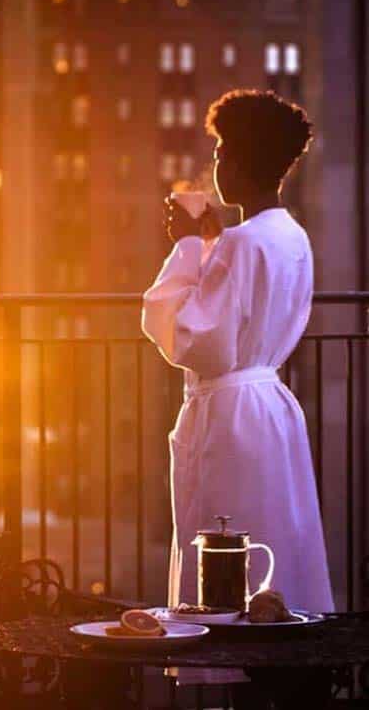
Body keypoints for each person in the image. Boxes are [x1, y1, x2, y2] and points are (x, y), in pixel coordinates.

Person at [142, 89, 333, 618]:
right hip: (269, 408)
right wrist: (209, 245)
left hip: (231, 420)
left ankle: (226, 667)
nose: (216, 160)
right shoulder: (289, 235)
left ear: (241, 159)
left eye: (222, 149)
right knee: (276, 542)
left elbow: (197, 340)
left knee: (226, 559)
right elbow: (239, 315)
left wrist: (185, 247)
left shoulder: (244, 242)